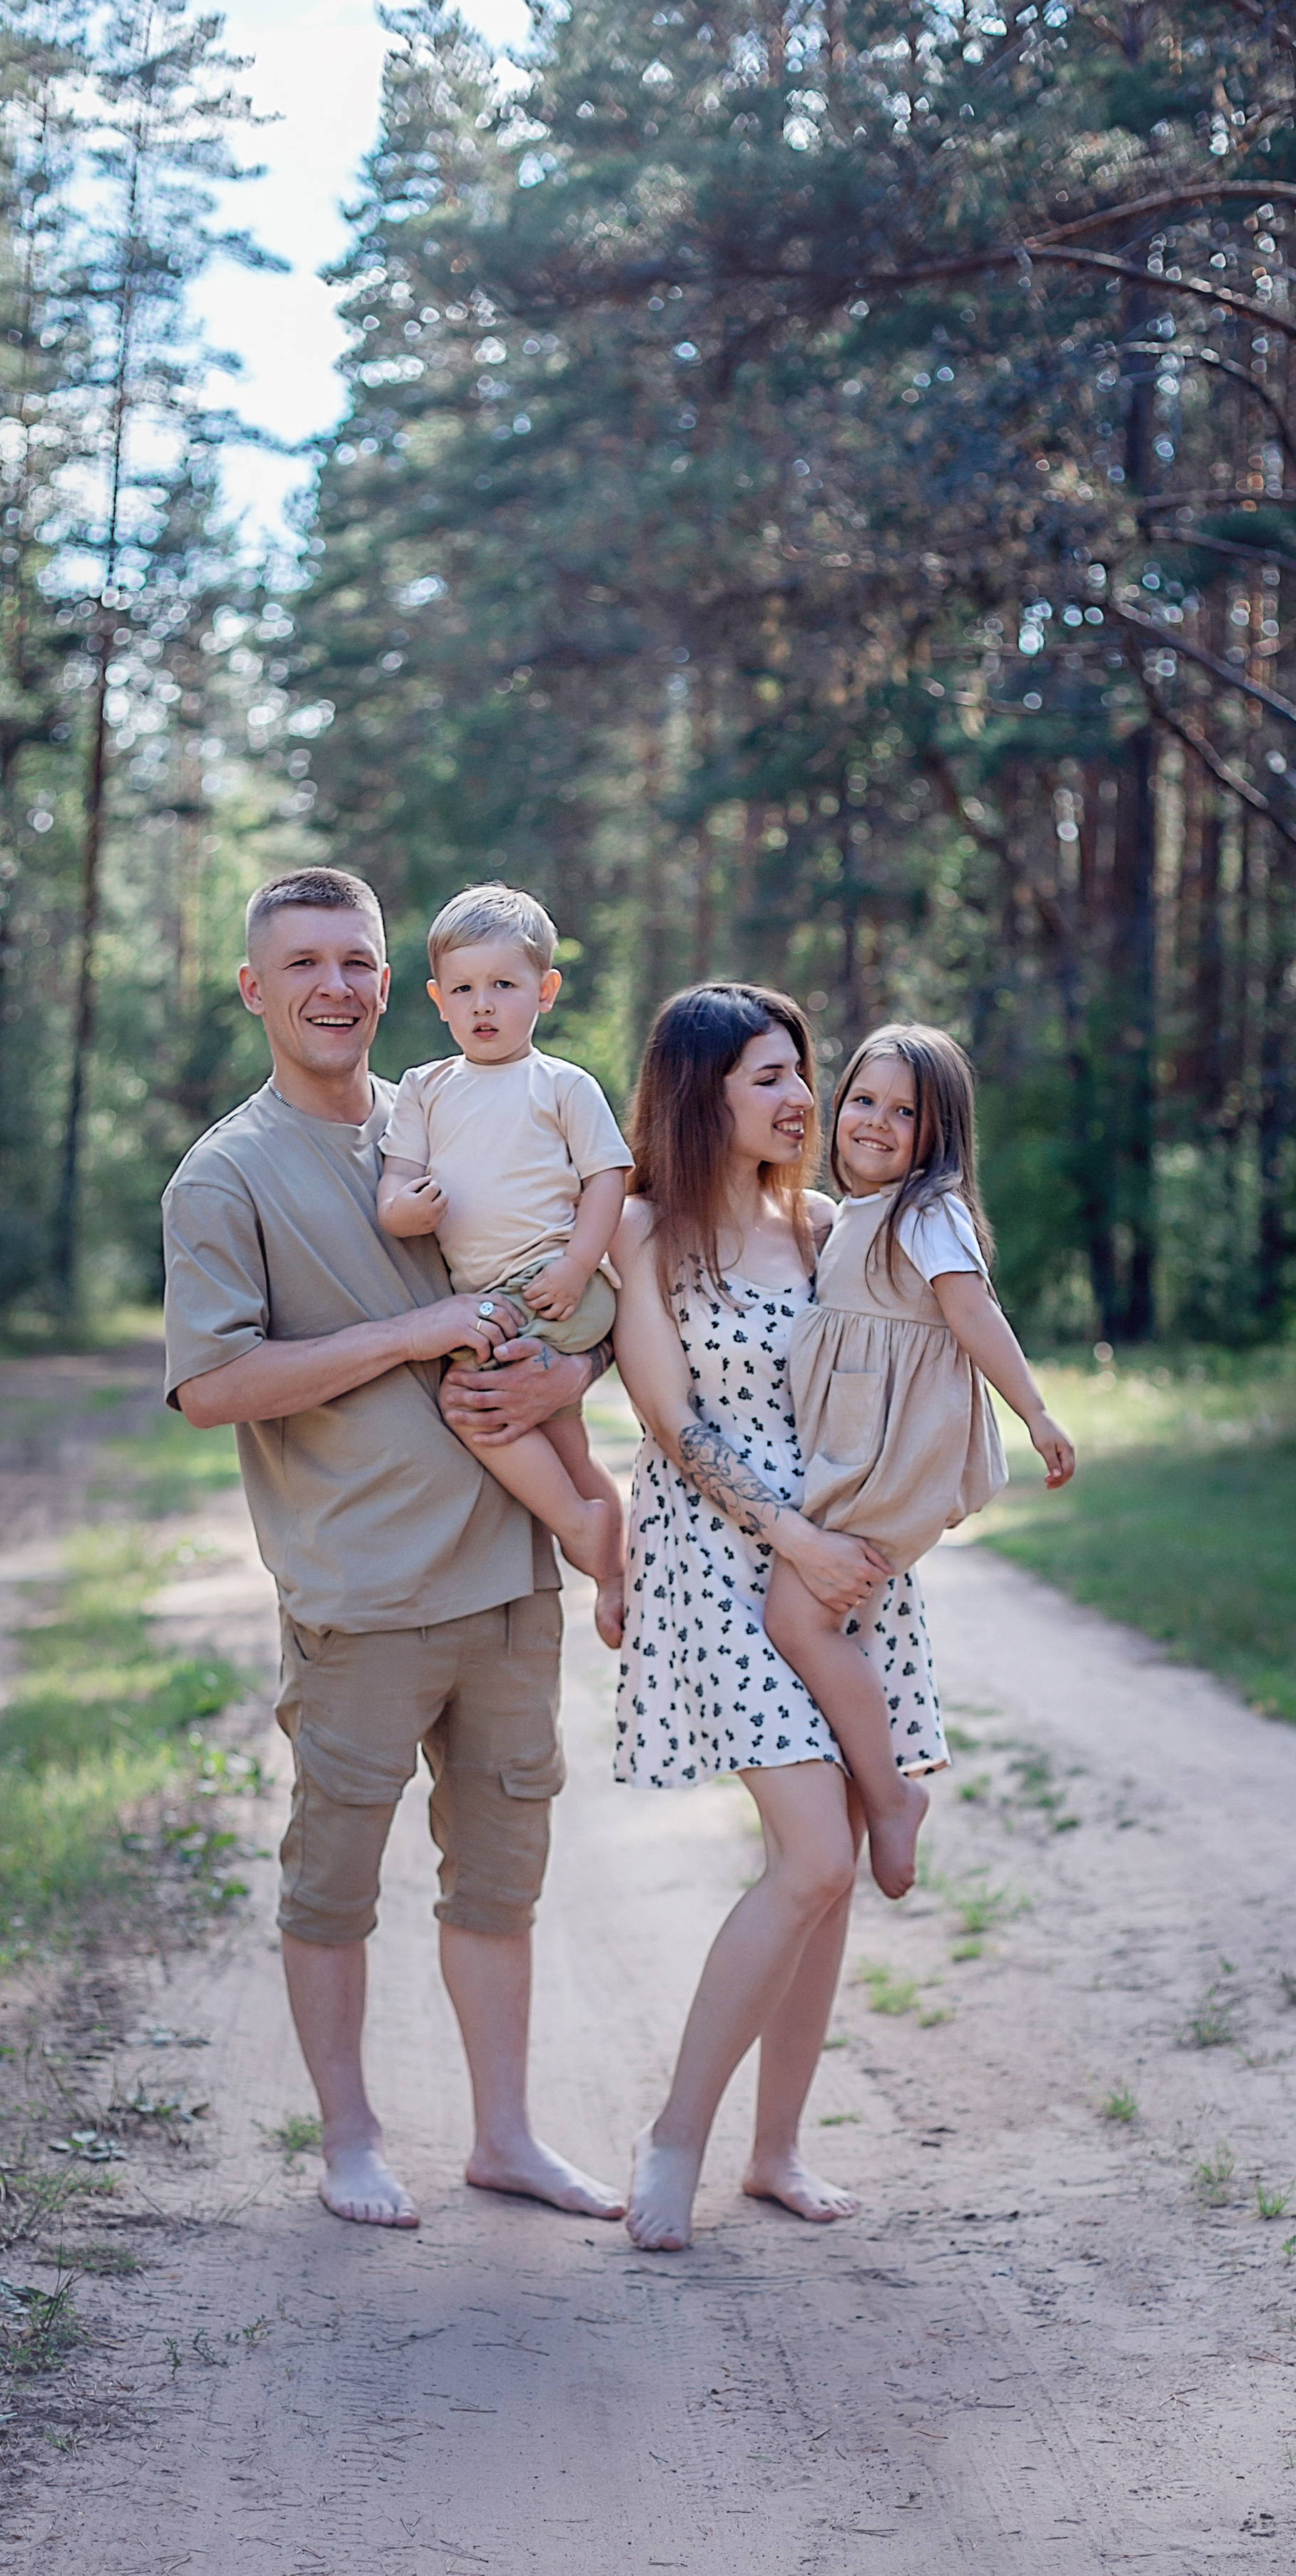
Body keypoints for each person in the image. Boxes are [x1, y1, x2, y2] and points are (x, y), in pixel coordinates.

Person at [161, 863, 622, 2231]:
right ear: (256, 989)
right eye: (303, 964)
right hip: (361, 1595)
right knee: (335, 1880)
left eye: (355, 961)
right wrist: (405, 1337)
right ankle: (351, 2140)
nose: (335, 988)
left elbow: (565, 1293)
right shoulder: (227, 1174)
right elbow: (211, 1387)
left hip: (509, 1582)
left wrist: (573, 1380)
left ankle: (504, 2140)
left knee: (499, 1876)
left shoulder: (460, 1102)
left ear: (388, 979)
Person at [611, 983, 948, 2253]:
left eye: (801, 1070)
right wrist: (788, 1532)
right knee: (811, 1851)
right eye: (769, 1076)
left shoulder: (828, 1230)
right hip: (721, 1552)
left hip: (846, 1560)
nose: (802, 1096)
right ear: (703, 1092)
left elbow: (911, 1369)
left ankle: (776, 2152)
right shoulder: (646, 1229)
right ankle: (675, 2143)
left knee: (840, 1863)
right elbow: (669, 1421)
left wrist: (892, 1517)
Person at [764, 1023, 1075, 1901]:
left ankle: (892, 1796)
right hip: (859, 1446)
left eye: (904, 1113)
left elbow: (973, 1315)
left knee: (799, 1619)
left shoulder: (926, 1213)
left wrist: (1036, 1411)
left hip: (891, 1451)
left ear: (939, 1137)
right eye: (862, 1100)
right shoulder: (854, 1213)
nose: (875, 1122)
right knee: (825, 1620)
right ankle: (872, 1784)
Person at [378, 883, 631, 1646]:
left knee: (473, 1402)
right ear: (437, 1000)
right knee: (561, 1438)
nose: (483, 1005)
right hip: (491, 1296)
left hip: (558, 1284)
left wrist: (576, 1263)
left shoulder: (560, 1085)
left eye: (503, 986)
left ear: (544, 991)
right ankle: (613, 1563)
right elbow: (396, 1179)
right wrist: (401, 1210)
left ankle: (574, 1527)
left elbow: (607, 1178)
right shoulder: (426, 1088)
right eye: (463, 989)